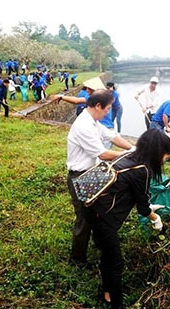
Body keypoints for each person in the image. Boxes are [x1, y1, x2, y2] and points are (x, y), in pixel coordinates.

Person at [84, 129, 169, 308]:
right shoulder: (143, 170)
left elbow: (135, 195)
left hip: (92, 209)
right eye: (166, 154)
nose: (167, 158)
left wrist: (147, 207)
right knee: (116, 262)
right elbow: (143, 208)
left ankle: (107, 292)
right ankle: (116, 303)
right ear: (157, 152)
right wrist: (155, 219)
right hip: (104, 217)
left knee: (107, 254)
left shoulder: (128, 156)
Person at [66, 88, 134, 267]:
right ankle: (77, 259)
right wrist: (129, 156)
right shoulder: (83, 126)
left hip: (92, 173)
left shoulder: (94, 122)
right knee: (84, 218)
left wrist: (132, 148)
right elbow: (103, 153)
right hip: (79, 177)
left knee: (97, 211)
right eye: (107, 109)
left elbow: (112, 136)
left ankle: (97, 243)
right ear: (97, 105)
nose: (108, 112)